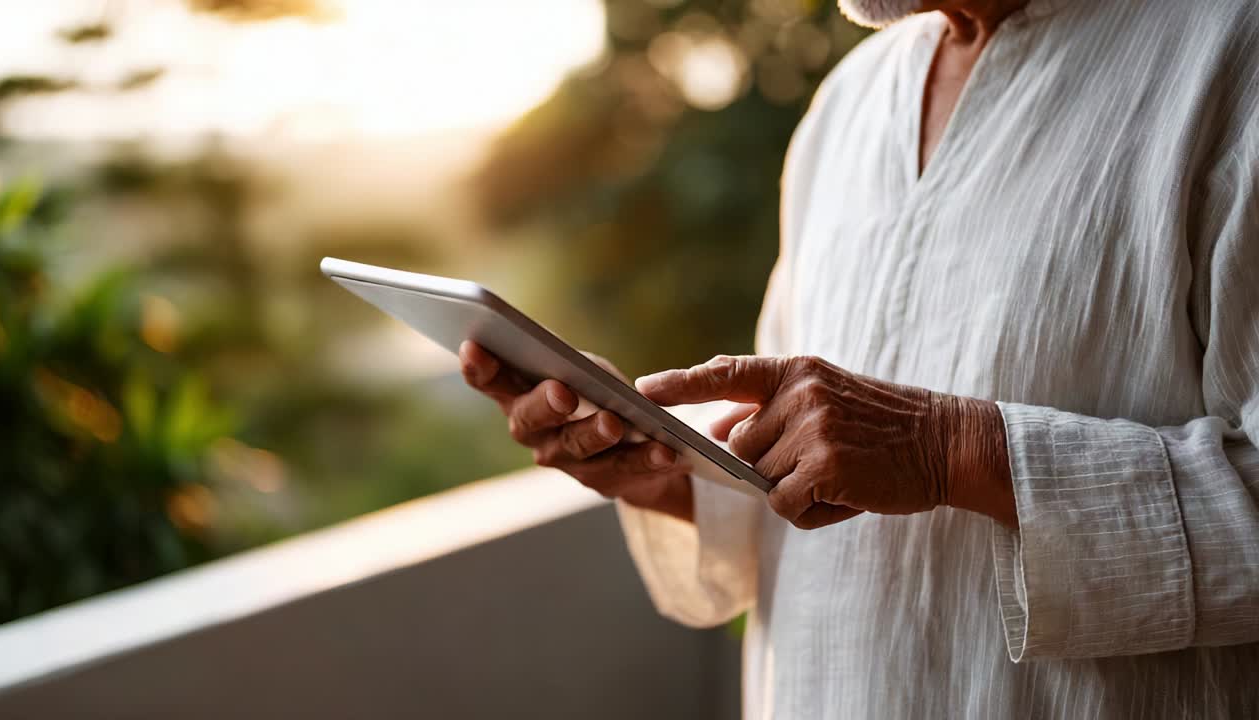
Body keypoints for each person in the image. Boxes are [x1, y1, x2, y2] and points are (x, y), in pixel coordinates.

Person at [461, 0, 1259, 715]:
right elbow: (809, 467)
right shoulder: (846, 101)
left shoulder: (1231, 52)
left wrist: (954, 449)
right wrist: (668, 471)